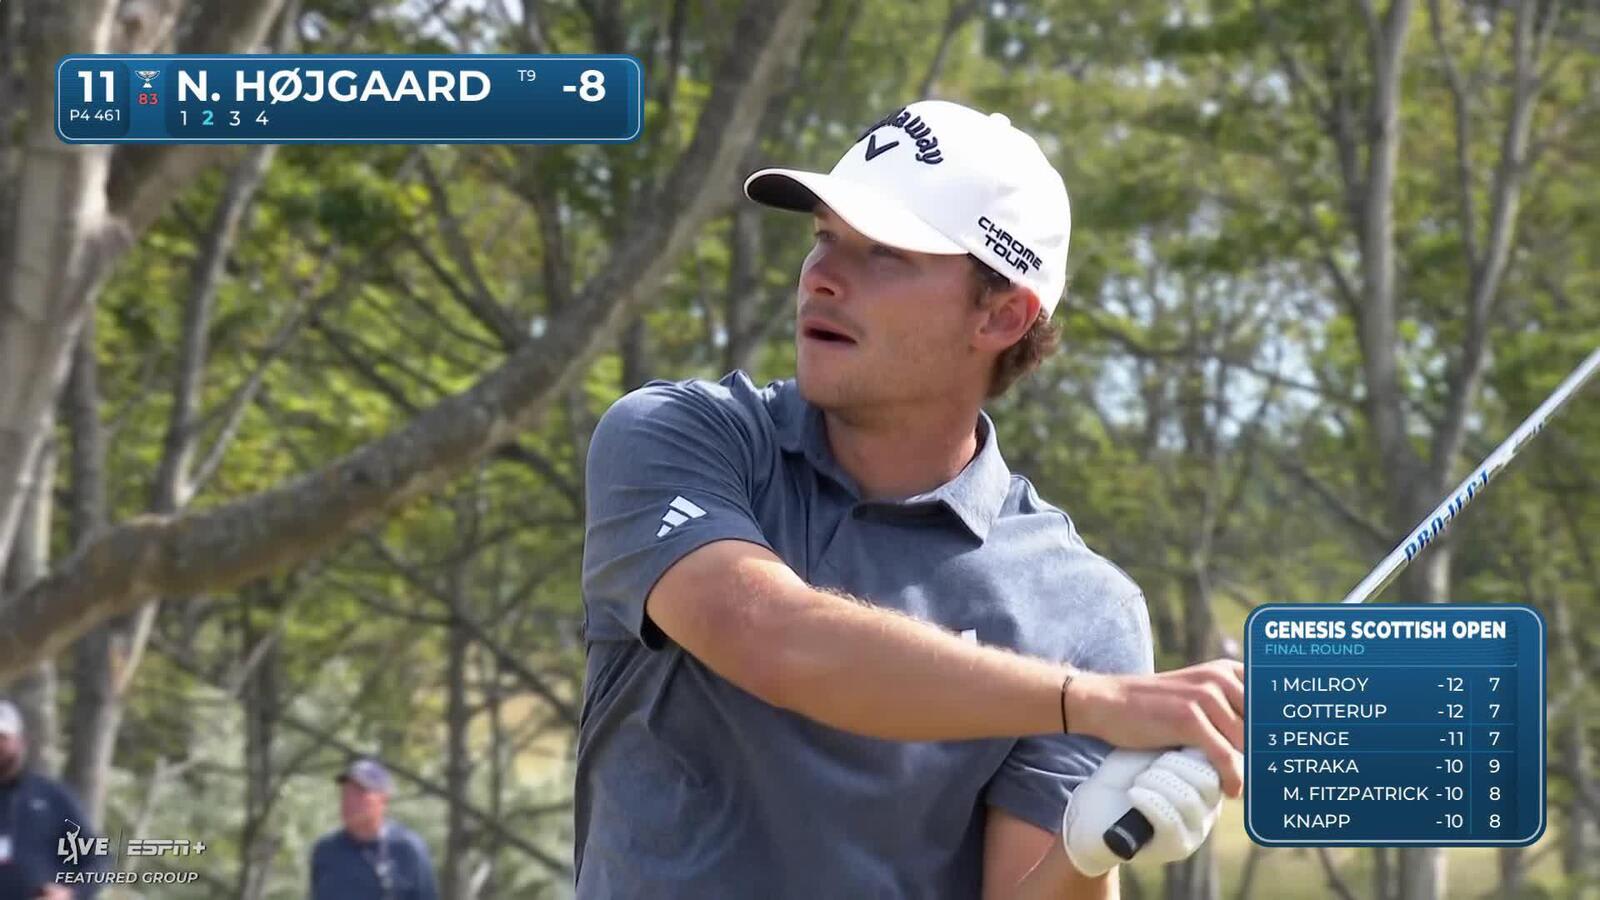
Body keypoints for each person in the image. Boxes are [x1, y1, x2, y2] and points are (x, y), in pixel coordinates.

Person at [575, 99, 1245, 898]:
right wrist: (1089, 703)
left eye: (884, 253)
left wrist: (1086, 854)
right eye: (824, 236)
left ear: (1002, 315)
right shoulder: (682, 437)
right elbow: (769, 635)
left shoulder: (1084, 610)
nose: (822, 276)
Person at [0, 700, 101, 900]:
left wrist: (70, 893)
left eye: (2, 737)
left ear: (20, 742)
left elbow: (97, 860)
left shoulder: (51, 797)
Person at [309, 758, 438, 900]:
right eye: (346, 793)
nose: (349, 800)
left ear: (383, 800)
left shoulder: (407, 849)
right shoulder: (326, 851)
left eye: (359, 793)